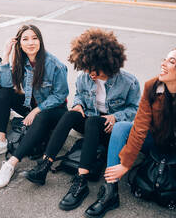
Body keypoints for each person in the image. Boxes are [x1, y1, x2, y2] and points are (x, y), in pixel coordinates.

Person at [84, 49, 176, 218]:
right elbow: (140, 128)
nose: (163, 64)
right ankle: (110, 192)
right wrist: (125, 164)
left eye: (171, 62)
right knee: (122, 128)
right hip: (156, 140)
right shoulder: (152, 86)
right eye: (165, 59)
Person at [24, 28, 141, 211]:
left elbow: (135, 109)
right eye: (87, 68)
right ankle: (45, 166)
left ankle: (81, 181)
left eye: (95, 69)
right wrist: (78, 104)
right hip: (91, 123)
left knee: (94, 121)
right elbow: (78, 95)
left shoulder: (128, 82)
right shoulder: (84, 76)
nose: (91, 74)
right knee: (70, 114)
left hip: (112, 130)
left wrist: (115, 116)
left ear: (108, 63)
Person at [0, 24, 69, 188]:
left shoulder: (55, 65)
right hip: (32, 107)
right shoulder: (21, 62)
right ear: (19, 43)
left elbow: (61, 95)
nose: (31, 43)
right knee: (3, 92)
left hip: (54, 112)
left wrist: (37, 110)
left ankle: (11, 163)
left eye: (34, 38)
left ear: (40, 41)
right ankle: (0, 140)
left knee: (41, 115)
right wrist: (6, 55)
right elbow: (5, 83)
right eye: (25, 39)